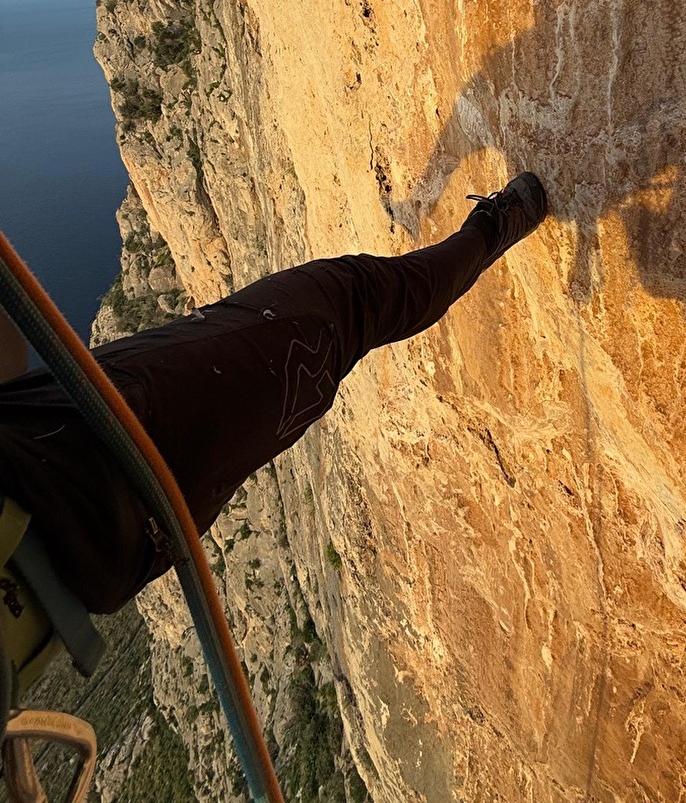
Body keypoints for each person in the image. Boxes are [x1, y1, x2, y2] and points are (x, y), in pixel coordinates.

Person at [0, 172, 547, 685]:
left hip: (105, 546)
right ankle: (496, 226)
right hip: (88, 459)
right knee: (355, 299)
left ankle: (492, 230)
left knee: (339, 322)